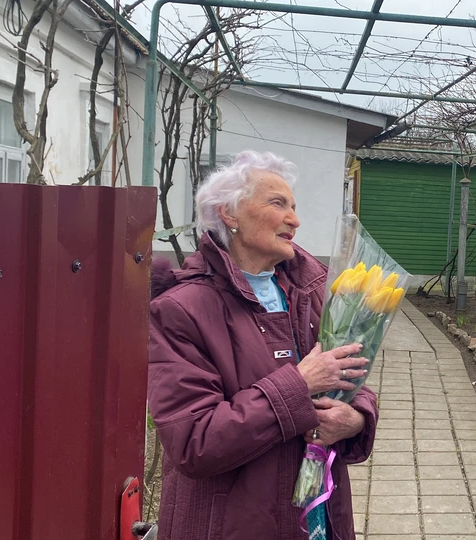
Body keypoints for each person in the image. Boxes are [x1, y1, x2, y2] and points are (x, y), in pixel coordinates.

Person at [148, 150, 377, 540]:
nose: (295, 219)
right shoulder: (181, 309)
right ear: (229, 213)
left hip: (317, 516)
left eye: (294, 206)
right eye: (278, 204)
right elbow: (192, 442)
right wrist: (299, 385)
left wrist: (356, 419)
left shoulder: (311, 292)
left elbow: (349, 379)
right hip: (231, 525)